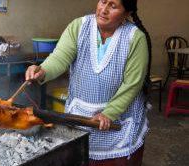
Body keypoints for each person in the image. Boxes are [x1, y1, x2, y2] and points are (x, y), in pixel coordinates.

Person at [25, 0, 152, 165]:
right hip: (81, 115)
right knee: (80, 157)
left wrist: (109, 113)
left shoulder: (135, 38)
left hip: (119, 120)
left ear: (126, 14)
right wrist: (43, 70)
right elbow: (59, 58)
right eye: (102, 1)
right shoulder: (79, 26)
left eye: (112, 6)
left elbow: (132, 84)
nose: (103, 10)